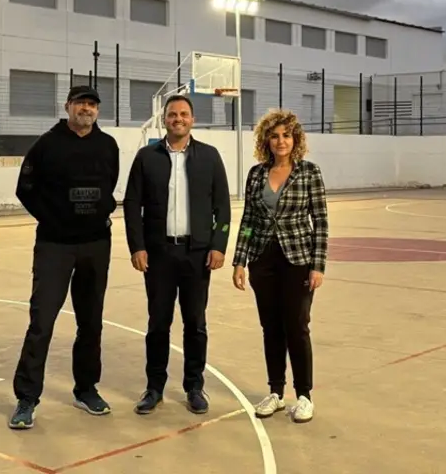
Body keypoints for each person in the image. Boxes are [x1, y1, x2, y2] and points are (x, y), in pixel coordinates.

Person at [9, 84, 120, 430]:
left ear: (97, 110)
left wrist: (99, 214)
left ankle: (86, 389)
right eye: (80, 103)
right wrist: (53, 220)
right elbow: (25, 189)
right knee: (42, 322)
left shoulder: (108, 145)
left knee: (91, 322)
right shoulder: (47, 144)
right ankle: (27, 398)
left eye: (92, 104)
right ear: (68, 106)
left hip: (95, 245)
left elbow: (110, 184)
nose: (86, 109)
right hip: (55, 246)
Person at [123, 94, 232, 416]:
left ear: (192, 120)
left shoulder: (209, 157)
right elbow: (132, 205)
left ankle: (194, 386)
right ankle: (154, 387)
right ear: (164, 119)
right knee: (158, 323)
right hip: (158, 255)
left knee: (195, 323)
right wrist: (137, 246)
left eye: (184, 114)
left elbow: (223, 207)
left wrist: (218, 245)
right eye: (172, 114)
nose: (178, 119)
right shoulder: (146, 157)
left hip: (197, 255)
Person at [231, 108, 329, 424]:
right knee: (270, 327)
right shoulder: (256, 174)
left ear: (295, 139)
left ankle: (304, 396)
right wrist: (240, 260)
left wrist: (318, 266)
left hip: (298, 260)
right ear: (266, 141)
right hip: (263, 261)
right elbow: (248, 221)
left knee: (297, 327)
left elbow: (321, 221)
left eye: (286, 135)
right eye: (274, 136)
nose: (281, 141)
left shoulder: (309, 173)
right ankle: (275, 391)